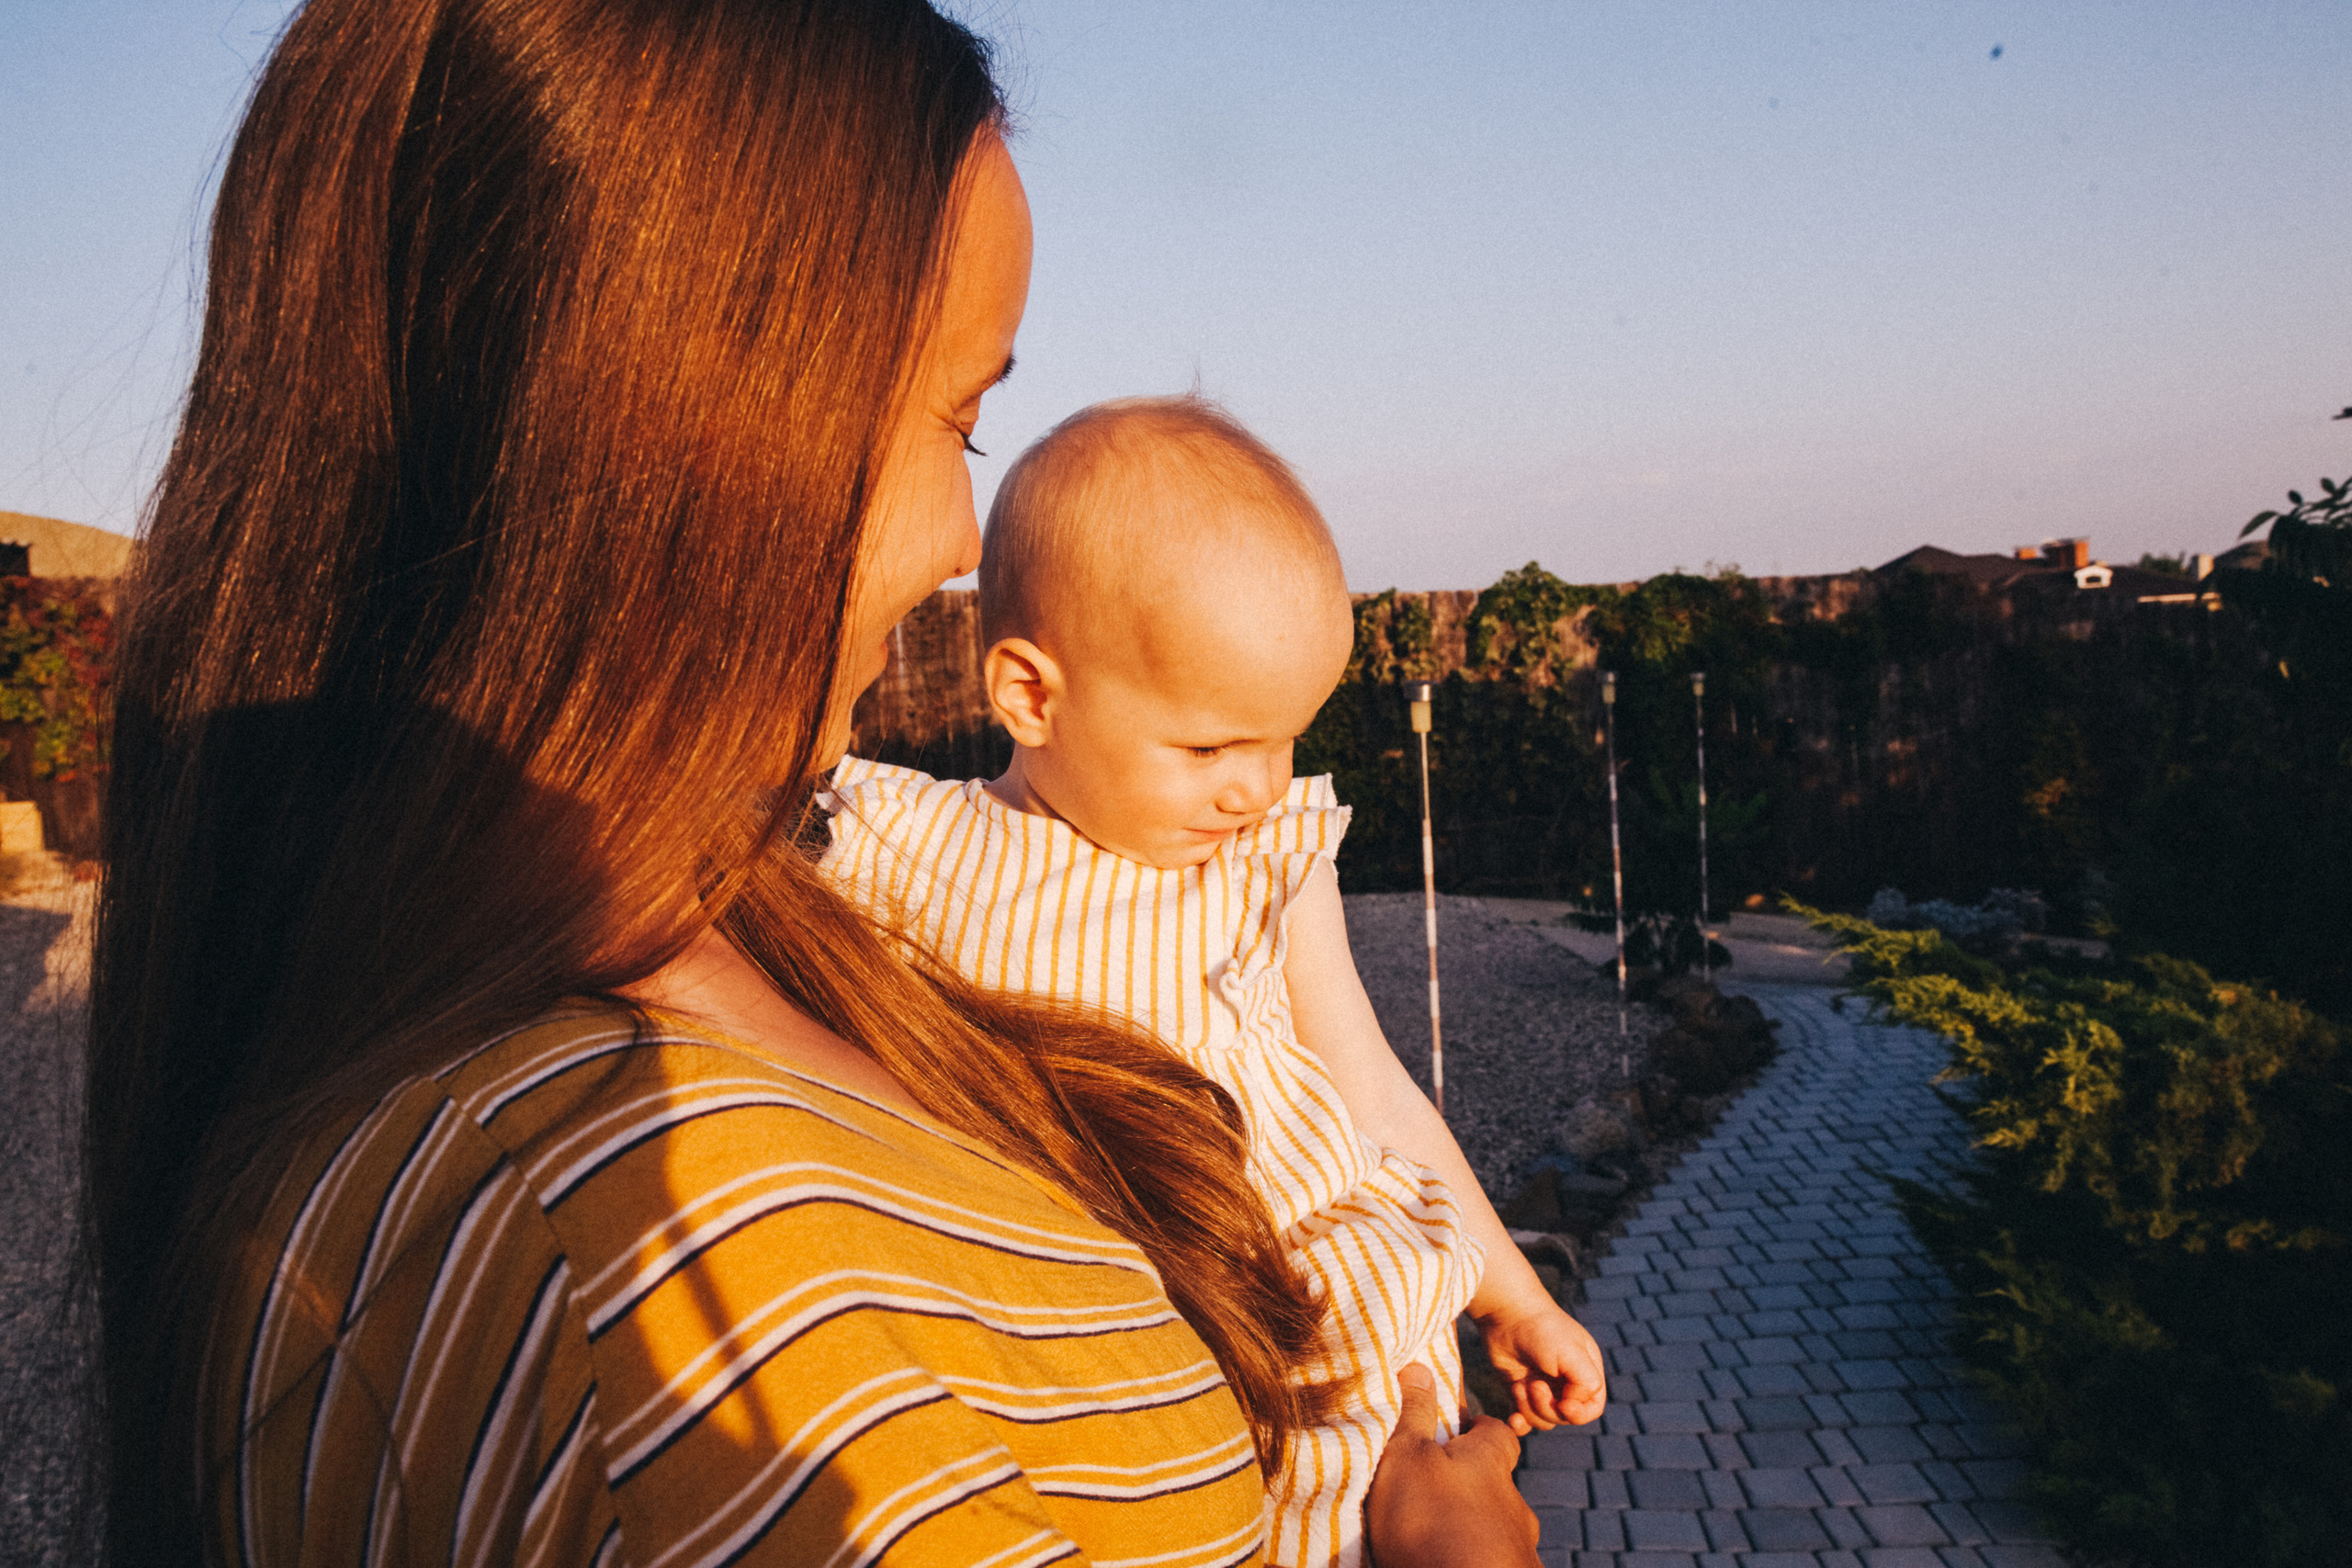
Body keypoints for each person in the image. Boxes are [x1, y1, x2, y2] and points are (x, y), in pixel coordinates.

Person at [81, 2, 1542, 1564]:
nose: (966, 545)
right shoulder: (645, 1273)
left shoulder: (755, 941)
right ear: (702, 428)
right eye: (959, 420)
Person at [820, 396, 1607, 1567]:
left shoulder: (1262, 864)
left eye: (1281, 736)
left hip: (1362, 1351)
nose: (1254, 785)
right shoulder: (901, 854)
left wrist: (1513, 1295)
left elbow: (1374, 1095)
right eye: (1208, 747)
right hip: (1157, 1392)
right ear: (1030, 696)